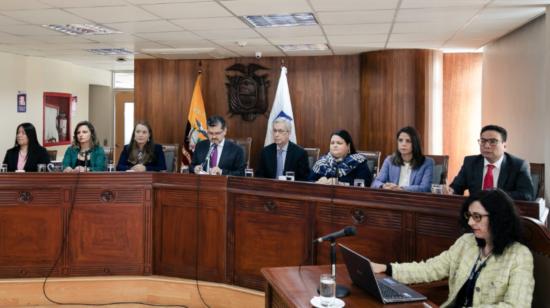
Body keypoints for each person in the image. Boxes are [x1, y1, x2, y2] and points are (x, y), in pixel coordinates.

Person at [370, 189, 534, 307]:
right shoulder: (466, 242)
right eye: (469, 216)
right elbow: (431, 268)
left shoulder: (519, 255)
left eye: (477, 217)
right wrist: (386, 268)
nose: (470, 223)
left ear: (498, 218)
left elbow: (516, 305)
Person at [447, 125, 534, 200]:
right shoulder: (470, 162)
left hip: (503, 212)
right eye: (483, 141)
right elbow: (457, 187)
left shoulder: (518, 165)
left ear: (504, 146)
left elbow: (527, 195)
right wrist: (450, 191)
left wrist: (494, 196)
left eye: (493, 142)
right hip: (476, 212)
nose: (487, 146)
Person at [371, 126, 433, 192]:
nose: (403, 144)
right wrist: (383, 186)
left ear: (415, 143)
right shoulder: (389, 160)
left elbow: (425, 188)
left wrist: (401, 189)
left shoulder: (427, 163)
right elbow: (376, 182)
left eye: (408, 141)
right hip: (393, 198)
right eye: (400, 140)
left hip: (414, 200)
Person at [308, 129, 372, 185]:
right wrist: (318, 182)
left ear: (348, 146)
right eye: (332, 143)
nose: (335, 145)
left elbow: (365, 183)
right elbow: (308, 183)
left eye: (339, 143)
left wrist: (341, 184)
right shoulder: (321, 162)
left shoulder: (358, 162)